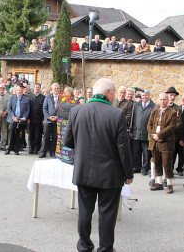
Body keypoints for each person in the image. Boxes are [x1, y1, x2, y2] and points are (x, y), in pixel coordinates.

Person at [62, 78, 133, 252]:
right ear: (107, 92)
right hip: (110, 173)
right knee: (107, 213)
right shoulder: (116, 114)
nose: (115, 96)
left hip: (84, 170)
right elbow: (123, 149)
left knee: (85, 211)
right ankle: (105, 248)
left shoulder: (77, 111)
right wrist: (129, 174)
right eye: (114, 92)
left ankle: (84, 245)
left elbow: (68, 141)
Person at [147, 93, 180, 194]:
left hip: (166, 142)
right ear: (158, 100)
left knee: (167, 163)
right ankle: (159, 183)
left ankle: (169, 184)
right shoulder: (154, 112)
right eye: (161, 99)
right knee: (156, 162)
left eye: (164, 99)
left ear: (167, 100)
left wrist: (160, 135)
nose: (162, 101)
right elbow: (149, 125)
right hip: (154, 141)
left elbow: (171, 127)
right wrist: (154, 136)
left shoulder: (172, 113)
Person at [131, 90, 156, 175]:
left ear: (149, 95)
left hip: (146, 133)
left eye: (146, 95)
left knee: (146, 152)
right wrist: (131, 130)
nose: (144, 97)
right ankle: (137, 167)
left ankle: (145, 168)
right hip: (136, 132)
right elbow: (132, 119)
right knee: (136, 151)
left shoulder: (153, 106)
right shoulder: (136, 105)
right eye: (143, 95)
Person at [5, 85, 30, 155]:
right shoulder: (12, 97)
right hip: (12, 119)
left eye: (21, 90)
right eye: (19, 90)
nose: (20, 91)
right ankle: (9, 149)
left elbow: (27, 110)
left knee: (19, 135)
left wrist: (24, 118)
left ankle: (16, 149)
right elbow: (9, 108)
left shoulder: (26, 99)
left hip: (21, 120)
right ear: (16, 91)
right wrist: (13, 117)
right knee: (11, 134)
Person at [41, 83, 61, 158]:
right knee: (46, 136)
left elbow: (63, 109)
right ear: (52, 89)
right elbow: (44, 108)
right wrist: (49, 117)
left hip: (57, 120)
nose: (56, 90)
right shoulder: (48, 97)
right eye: (55, 88)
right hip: (48, 120)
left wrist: (57, 117)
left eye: (57, 88)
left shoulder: (62, 98)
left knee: (55, 137)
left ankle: (52, 152)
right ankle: (43, 152)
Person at [28, 83, 45, 154]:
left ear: (40, 88)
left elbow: (44, 109)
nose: (37, 88)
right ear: (33, 88)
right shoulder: (29, 96)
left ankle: (36, 148)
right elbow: (27, 108)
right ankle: (30, 148)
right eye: (35, 87)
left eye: (38, 87)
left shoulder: (43, 97)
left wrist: (43, 119)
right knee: (30, 134)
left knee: (37, 135)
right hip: (30, 119)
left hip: (39, 119)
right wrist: (27, 118)